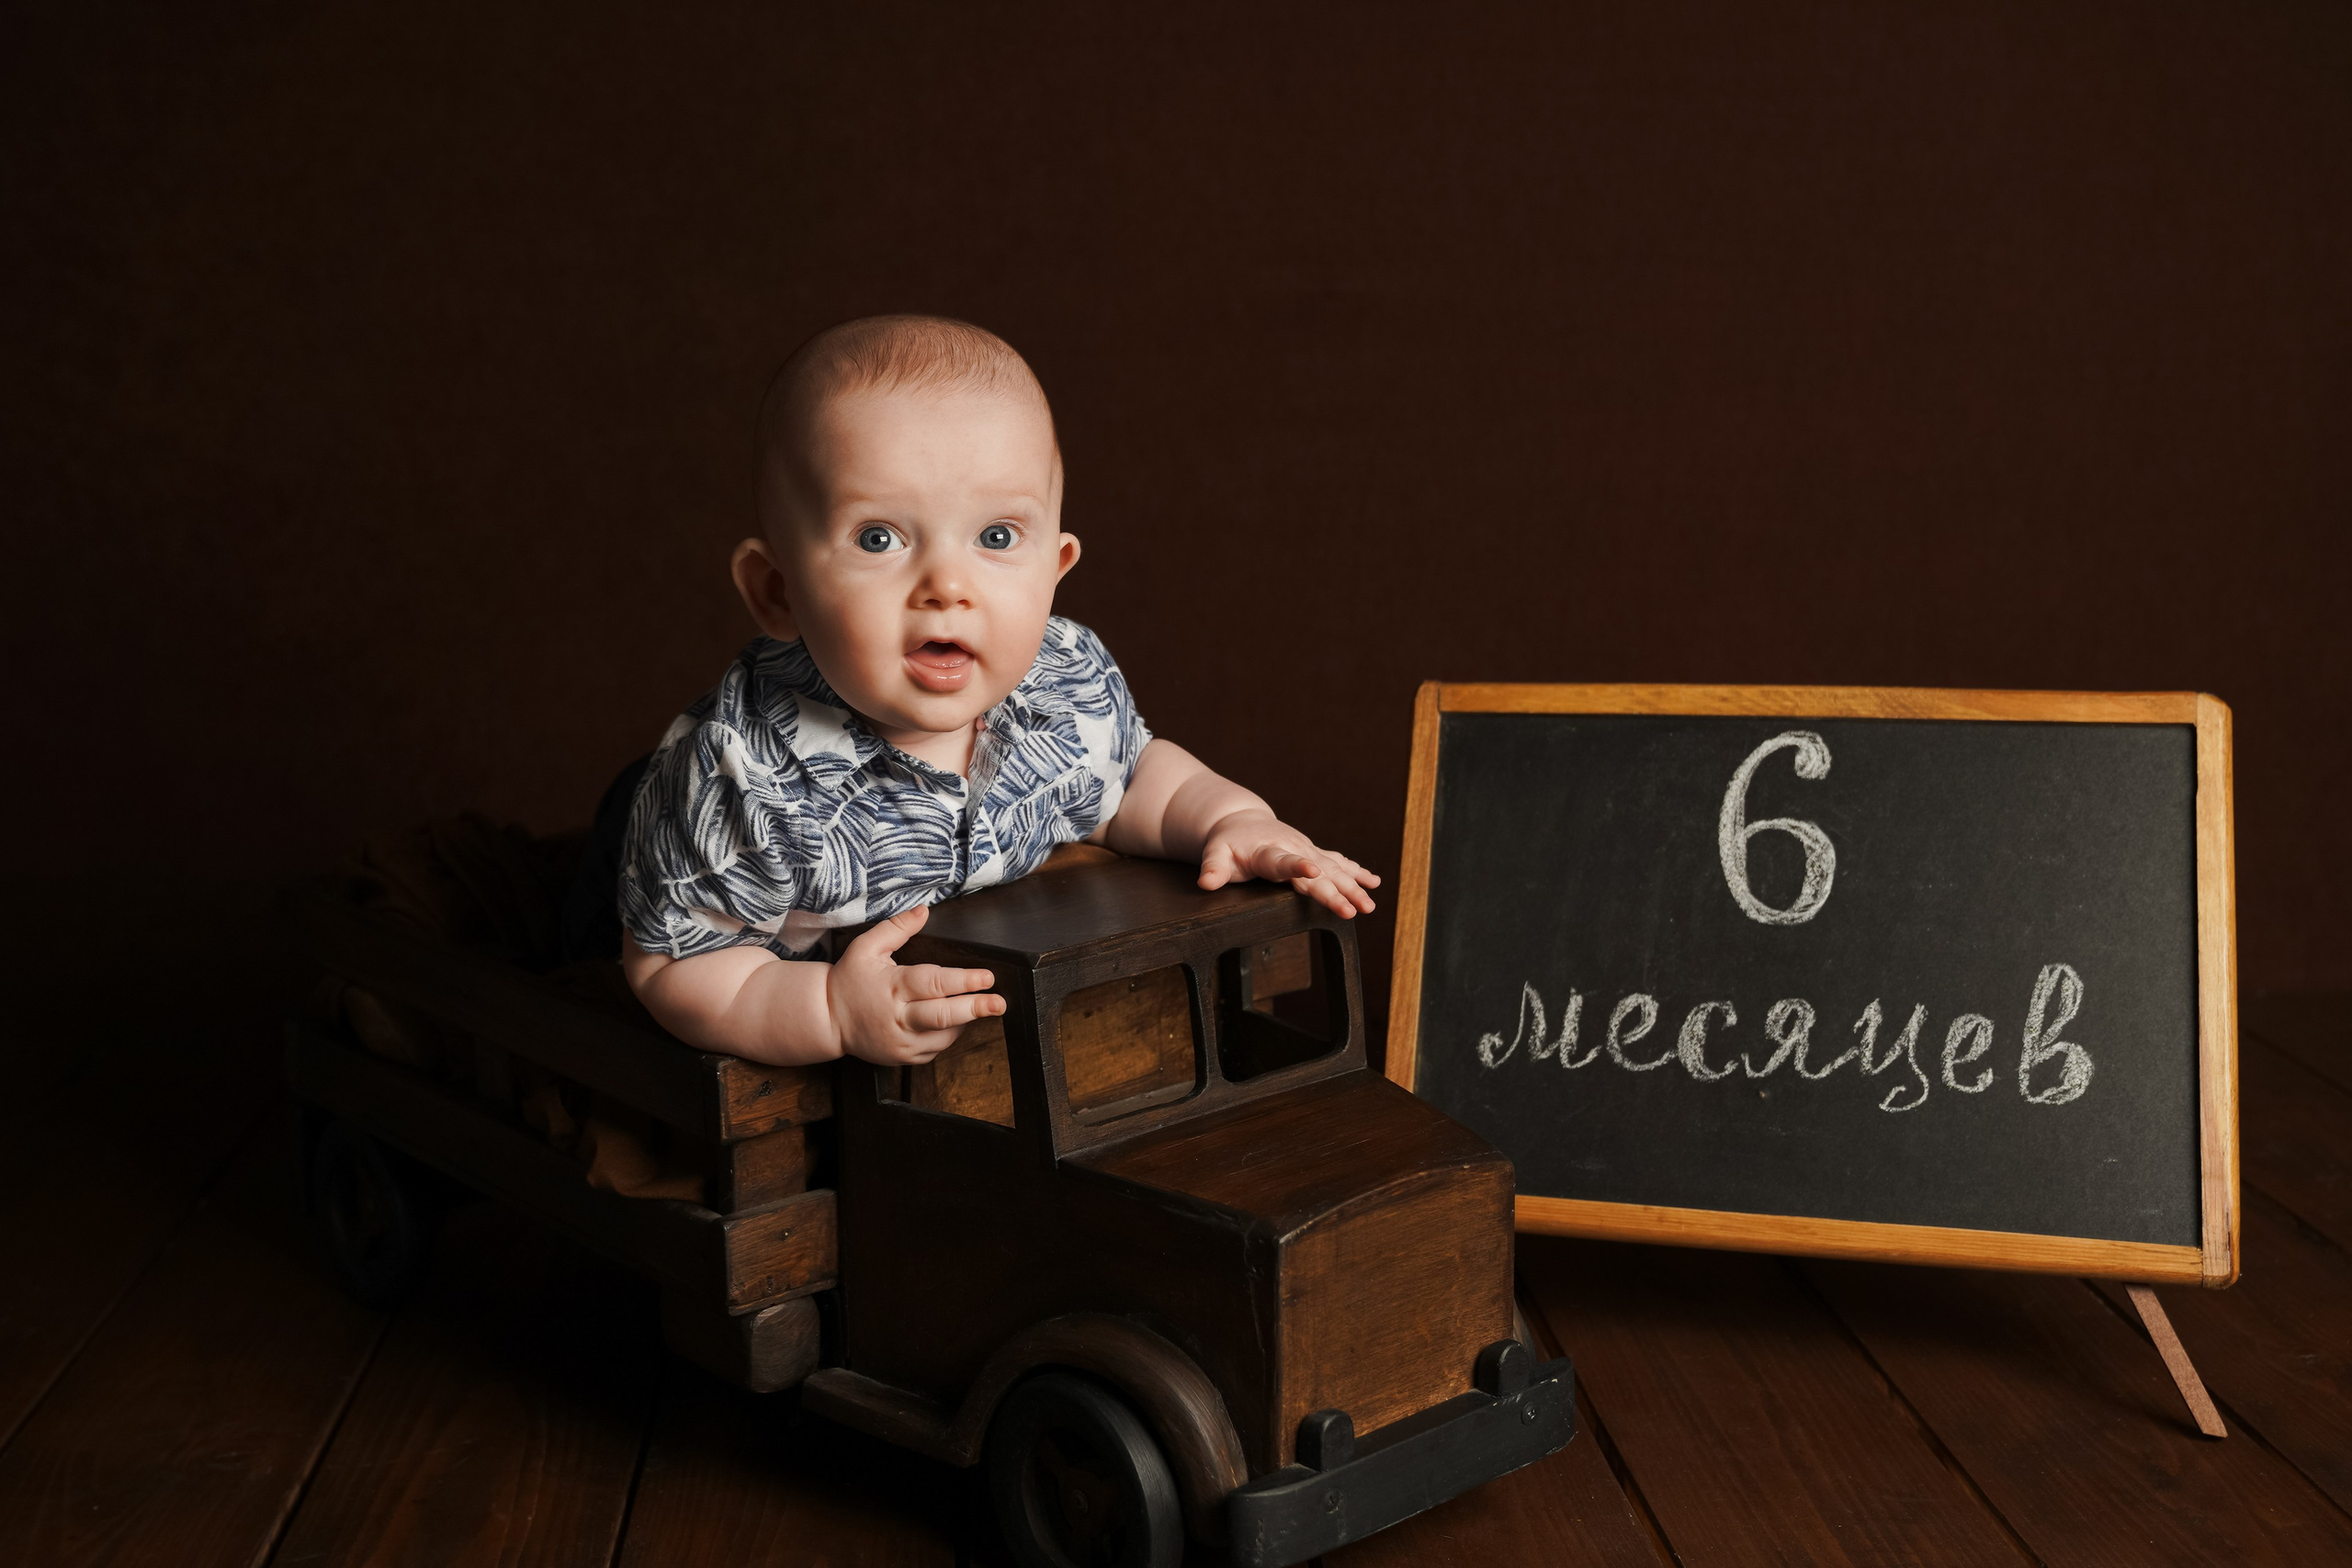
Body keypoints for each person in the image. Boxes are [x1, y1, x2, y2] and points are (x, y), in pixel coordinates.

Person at [616, 315, 1378, 1069]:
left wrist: (1233, 817)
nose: (948, 586)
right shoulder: (743, 782)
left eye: (997, 537)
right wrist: (828, 1010)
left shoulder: (1062, 682)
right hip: (648, 863)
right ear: (776, 590)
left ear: (1056, 566)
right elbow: (670, 967)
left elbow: (1132, 779)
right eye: (879, 537)